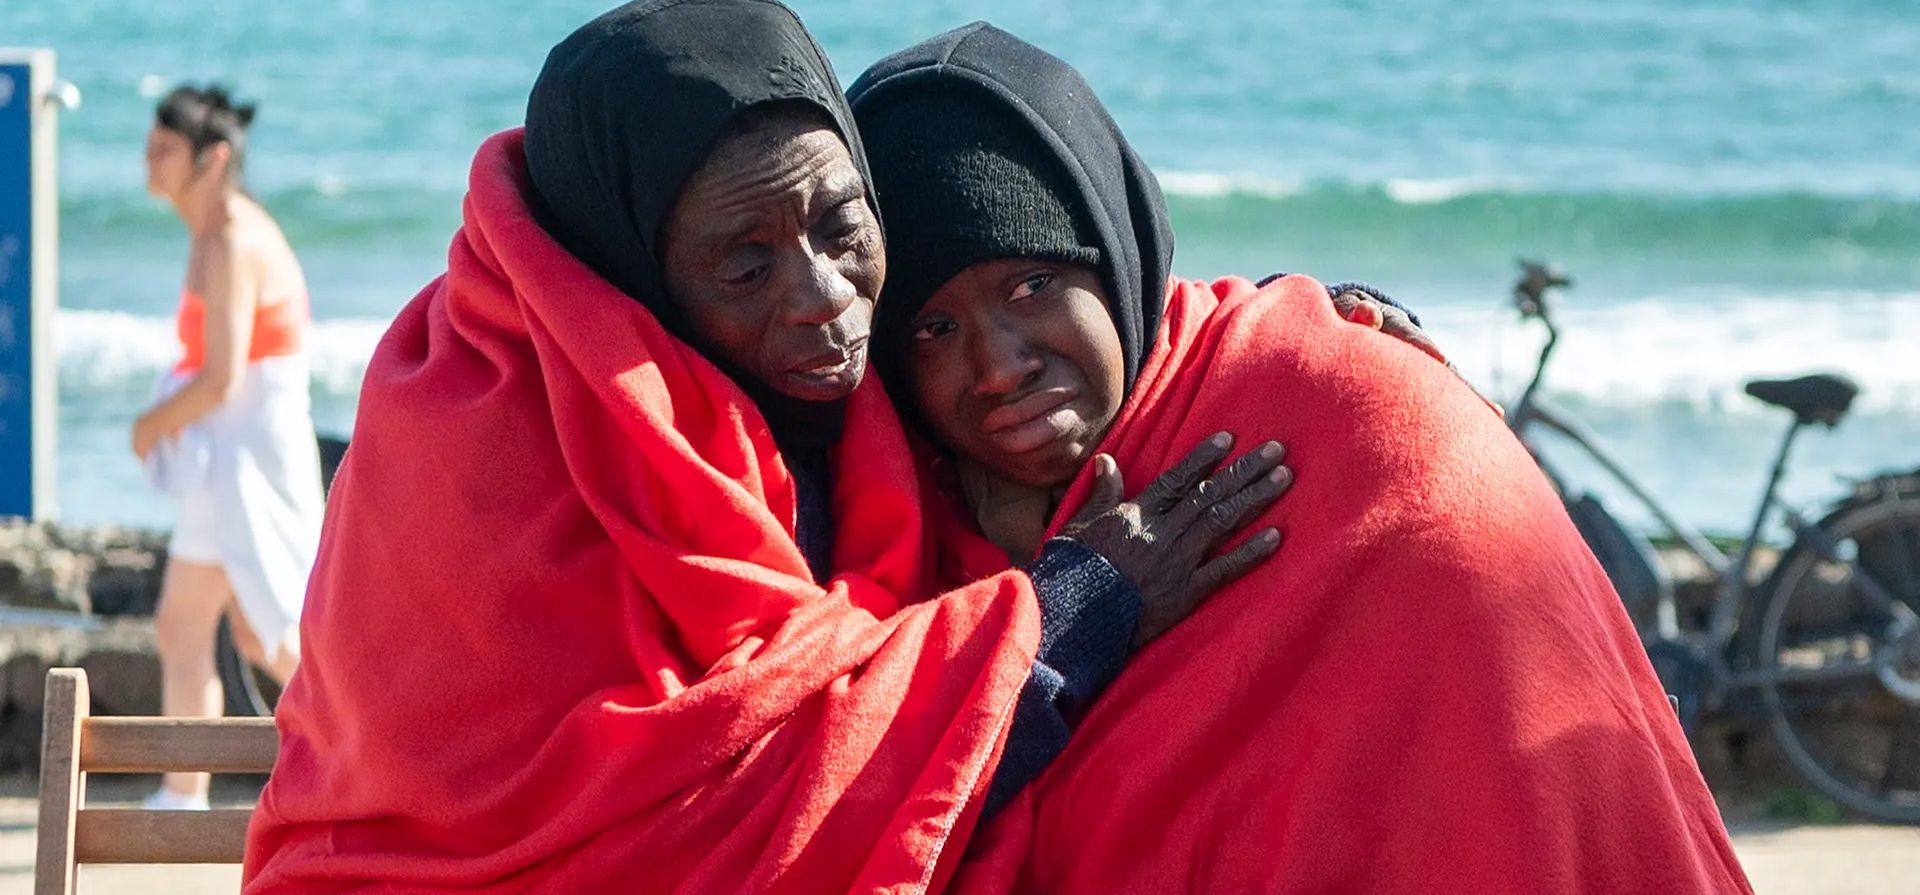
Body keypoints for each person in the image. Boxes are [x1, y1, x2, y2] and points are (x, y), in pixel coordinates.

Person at [242, 2, 1298, 890]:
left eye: (844, 227)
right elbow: (683, 827)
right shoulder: (480, 437)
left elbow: (1052, 293)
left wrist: (1291, 334)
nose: (827, 300)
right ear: (629, 273)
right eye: (745, 268)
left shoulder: (809, 382)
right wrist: (1076, 608)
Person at [848, 23, 1752, 893]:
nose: (999, 365)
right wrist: (1077, 607)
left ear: (1115, 254)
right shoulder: (884, 529)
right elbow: (843, 801)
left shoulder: (1336, 406)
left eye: (1033, 284)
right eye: (932, 329)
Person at [134, 84, 324, 811]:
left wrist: (144, 430)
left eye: (163, 150)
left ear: (211, 158)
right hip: (228, 461)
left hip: (249, 462)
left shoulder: (233, 239)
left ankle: (373, 765)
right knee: (195, 625)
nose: (148, 162)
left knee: (274, 634)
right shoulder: (212, 231)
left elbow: (220, 377)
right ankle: (184, 793)